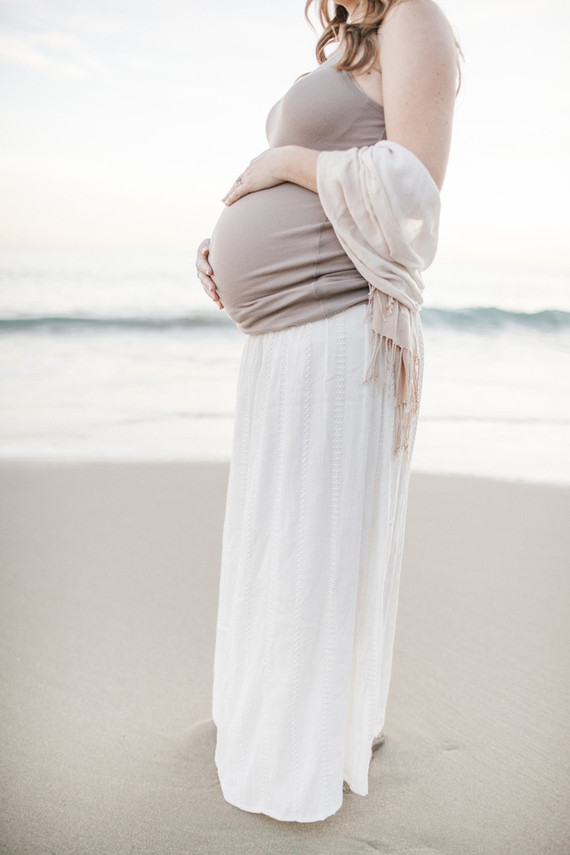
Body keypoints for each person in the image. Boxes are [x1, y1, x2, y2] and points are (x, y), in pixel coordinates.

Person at [195, 0, 461, 823]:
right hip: (283, 342)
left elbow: (412, 192)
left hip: (342, 332)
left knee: (315, 543)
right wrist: (222, 244)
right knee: (277, 536)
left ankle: (302, 751)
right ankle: (266, 720)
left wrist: (282, 166)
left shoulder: (414, 16)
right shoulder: (354, 37)